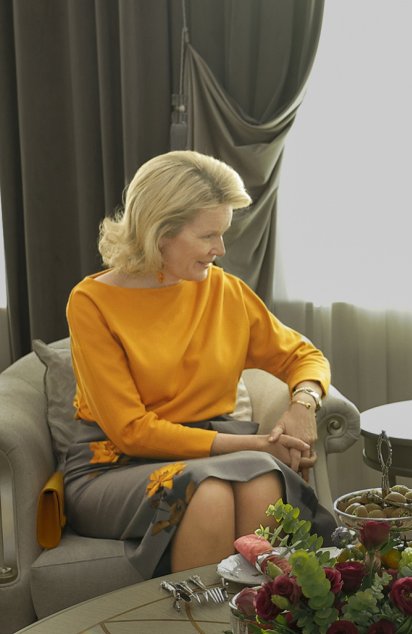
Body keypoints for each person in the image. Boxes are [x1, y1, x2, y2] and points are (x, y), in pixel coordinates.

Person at [63, 150, 336, 576]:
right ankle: (195, 612)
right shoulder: (91, 302)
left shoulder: (226, 292)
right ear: (160, 233)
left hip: (213, 456)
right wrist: (256, 445)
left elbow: (304, 356)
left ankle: (259, 610)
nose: (220, 249)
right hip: (115, 466)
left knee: (262, 481)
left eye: (222, 233)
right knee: (209, 494)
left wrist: (302, 404)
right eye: (208, 235)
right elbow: (132, 432)